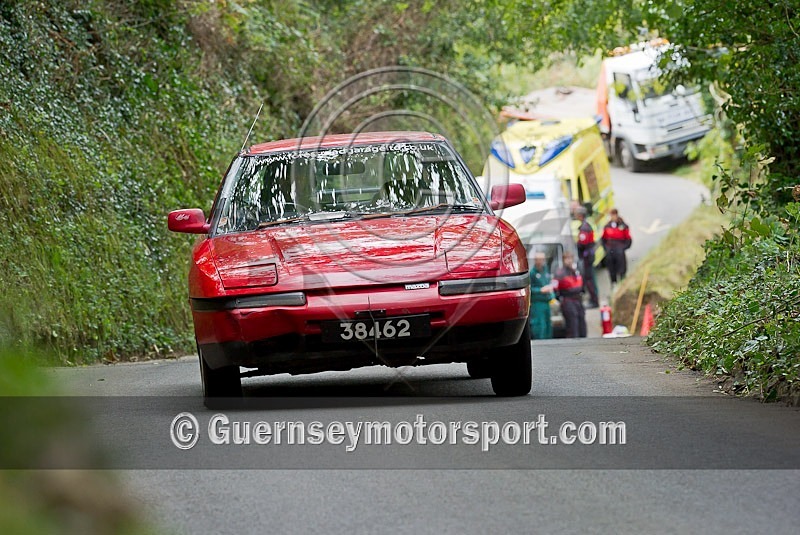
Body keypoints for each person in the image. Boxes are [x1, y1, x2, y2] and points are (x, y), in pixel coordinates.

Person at [552, 251, 587, 338]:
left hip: (578, 300)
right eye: (567, 259)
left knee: (582, 324)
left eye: (571, 258)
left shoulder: (576, 271)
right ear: (563, 260)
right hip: (568, 300)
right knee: (572, 325)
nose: (569, 261)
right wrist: (558, 299)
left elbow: (583, 284)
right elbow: (555, 288)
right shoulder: (560, 273)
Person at [574, 206, 599, 308]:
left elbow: (582, 243)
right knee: (590, 278)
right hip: (589, 255)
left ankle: (594, 300)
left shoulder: (584, 228)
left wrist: (577, 244)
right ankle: (593, 299)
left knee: (589, 279)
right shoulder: (586, 225)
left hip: (587, 257)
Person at [601, 208, 632, 287]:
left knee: (621, 269)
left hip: (619, 250)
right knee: (611, 269)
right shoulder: (607, 226)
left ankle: (623, 284)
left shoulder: (623, 225)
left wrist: (622, 248)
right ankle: (614, 284)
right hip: (610, 250)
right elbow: (603, 239)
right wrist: (606, 249)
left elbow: (628, 238)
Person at [529, 252, 555, 339]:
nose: (540, 261)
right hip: (537, 303)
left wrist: (552, 295)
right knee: (539, 326)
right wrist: (540, 290)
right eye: (537, 259)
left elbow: (549, 283)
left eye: (541, 259)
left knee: (548, 325)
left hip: (546, 302)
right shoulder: (532, 273)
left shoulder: (545, 270)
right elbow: (529, 289)